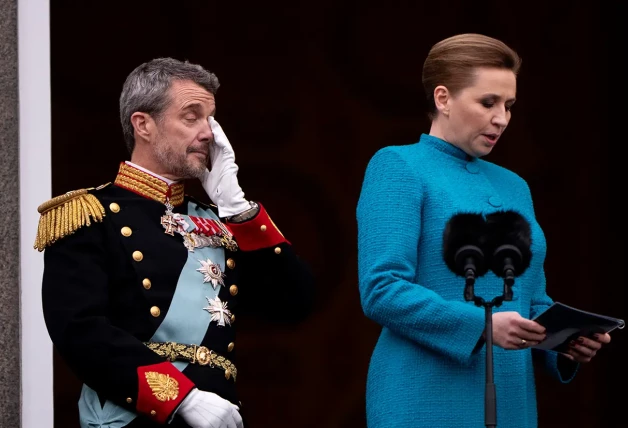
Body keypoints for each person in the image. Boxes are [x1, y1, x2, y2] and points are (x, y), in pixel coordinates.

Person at [35, 57, 315, 428]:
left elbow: (294, 303)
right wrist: (181, 397)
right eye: (191, 116)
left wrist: (237, 207)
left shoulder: (223, 219)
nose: (209, 133)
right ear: (143, 124)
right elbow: (80, 332)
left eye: (211, 119)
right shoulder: (89, 214)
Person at [356, 33, 611, 428]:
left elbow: (531, 299)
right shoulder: (398, 166)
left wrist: (565, 339)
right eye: (488, 102)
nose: (502, 118)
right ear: (443, 98)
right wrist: (483, 325)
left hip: (510, 395)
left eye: (509, 105)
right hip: (424, 395)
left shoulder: (514, 186)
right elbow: (382, 289)